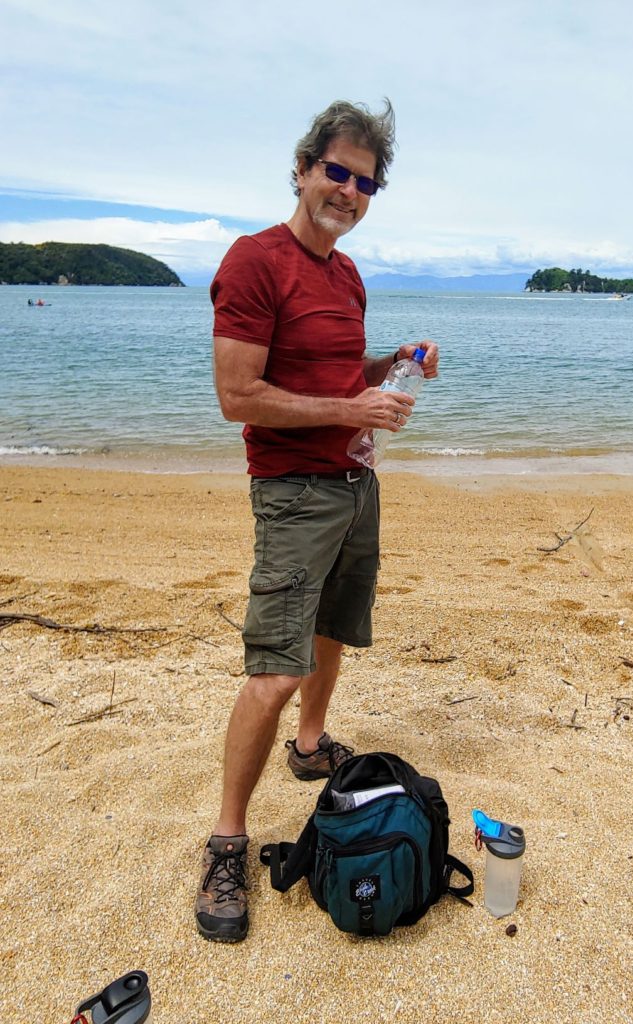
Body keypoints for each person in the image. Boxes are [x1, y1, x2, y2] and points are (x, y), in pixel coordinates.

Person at [196, 99, 439, 943]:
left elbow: (340, 371)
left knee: (334, 631)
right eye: (336, 171)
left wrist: (393, 363)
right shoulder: (254, 260)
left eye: (365, 182)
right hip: (296, 492)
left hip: (356, 482)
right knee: (275, 663)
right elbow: (239, 396)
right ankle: (227, 840)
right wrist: (352, 401)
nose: (348, 190)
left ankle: (311, 746)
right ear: (303, 169)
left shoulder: (345, 274)